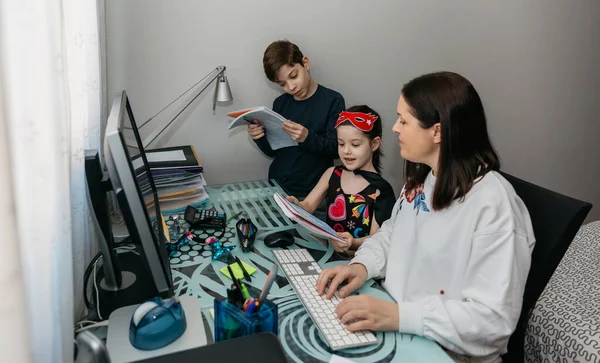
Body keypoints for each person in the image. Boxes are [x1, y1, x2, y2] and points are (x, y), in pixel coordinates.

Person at [315, 72, 535, 363]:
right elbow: (394, 232)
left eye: (404, 121)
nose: (395, 128)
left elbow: (492, 321)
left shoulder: (494, 204)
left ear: (437, 132)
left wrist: (398, 316)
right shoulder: (421, 181)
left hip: (444, 352)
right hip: (401, 327)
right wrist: (362, 266)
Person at [248, 40, 345, 213]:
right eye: (282, 84)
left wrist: (307, 138)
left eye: (293, 76)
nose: (291, 87)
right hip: (277, 190)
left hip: (313, 196)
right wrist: (259, 137)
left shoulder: (333, 100)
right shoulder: (280, 103)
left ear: (305, 64)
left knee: (311, 240)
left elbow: (336, 149)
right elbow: (273, 151)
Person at [286, 105, 395, 255]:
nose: (346, 151)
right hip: (328, 257)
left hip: (357, 265)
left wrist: (353, 242)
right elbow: (309, 205)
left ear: (374, 144)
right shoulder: (332, 174)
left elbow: (377, 239)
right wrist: (296, 206)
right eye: (341, 143)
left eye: (355, 144)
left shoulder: (380, 190)